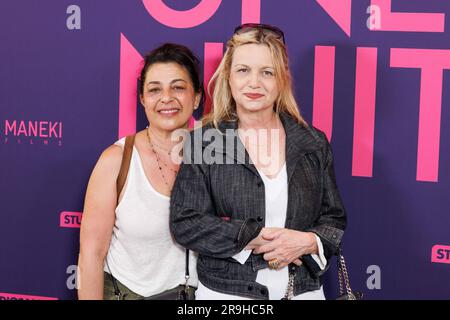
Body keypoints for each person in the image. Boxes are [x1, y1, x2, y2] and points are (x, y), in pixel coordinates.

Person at [170, 24, 347, 300]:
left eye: (267, 72)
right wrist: (250, 236)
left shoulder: (312, 141)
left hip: (302, 292)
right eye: (243, 70)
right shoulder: (206, 141)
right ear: (228, 76)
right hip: (228, 294)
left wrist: (307, 242)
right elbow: (187, 223)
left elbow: (334, 219)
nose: (255, 83)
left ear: (282, 79)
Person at [77, 43, 202, 299]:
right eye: (155, 90)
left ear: (196, 97)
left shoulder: (214, 157)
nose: (166, 98)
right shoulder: (117, 160)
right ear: (143, 99)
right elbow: (91, 254)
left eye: (178, 87)